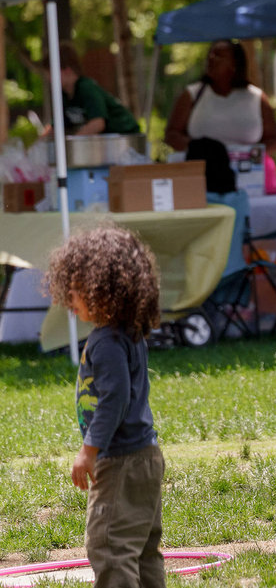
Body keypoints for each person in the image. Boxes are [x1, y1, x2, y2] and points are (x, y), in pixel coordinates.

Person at [45, 225, 164, 588]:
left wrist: (89, 450)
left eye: (77, 287)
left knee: (109, 546)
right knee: (142, 550)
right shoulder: (126, 333)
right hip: (144, 457)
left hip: (121, 461)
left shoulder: (108, 342)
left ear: (104, 288)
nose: (69, 295)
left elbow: (115, 399)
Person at [163, 39, 276, 157]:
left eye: (219, 56)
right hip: (201, 166)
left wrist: (251, 155)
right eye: (210, 54)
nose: (211, 58)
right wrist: (198, 150)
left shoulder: (257, 97)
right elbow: (172, 134)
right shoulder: (191, 94)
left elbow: (272, 140)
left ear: (234, 64)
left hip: (247, 167)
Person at [46, 43, 140, 137]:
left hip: (125, 136)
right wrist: (40, 143)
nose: (49, 79)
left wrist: (72, 142)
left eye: (51, 73)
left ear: (67, 70)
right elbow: (55, 127)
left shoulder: (86, 88)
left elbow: (98, 123)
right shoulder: (65, 95)